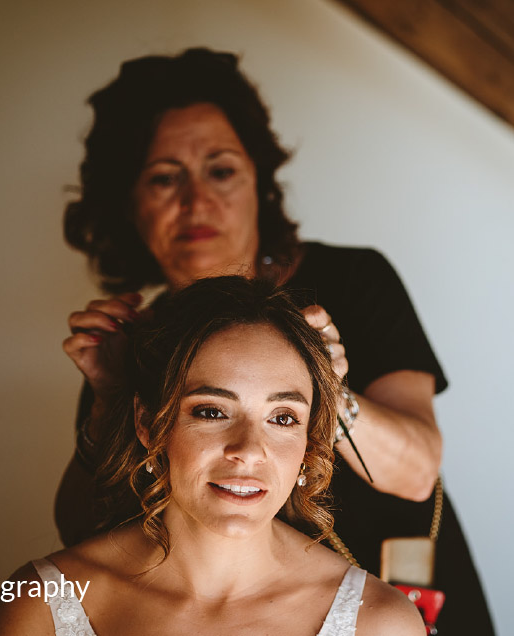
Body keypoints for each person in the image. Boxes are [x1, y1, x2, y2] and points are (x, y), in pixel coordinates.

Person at [56, 48, 494, 632]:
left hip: (400, 605)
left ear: (258, 182)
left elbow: (415, 471)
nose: (197, 201)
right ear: (128, 203)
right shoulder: (138, 343)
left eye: (221, 171)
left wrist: (328, 394)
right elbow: (82, 535)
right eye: (164, 178)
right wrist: (111, 397)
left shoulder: (355, 281)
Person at [0, 277, 424, 635]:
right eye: (212, 412)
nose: (248, 451)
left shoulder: (381, 624)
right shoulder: (41, 604)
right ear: (148, 423)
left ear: (310, 443)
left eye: (283, 418)